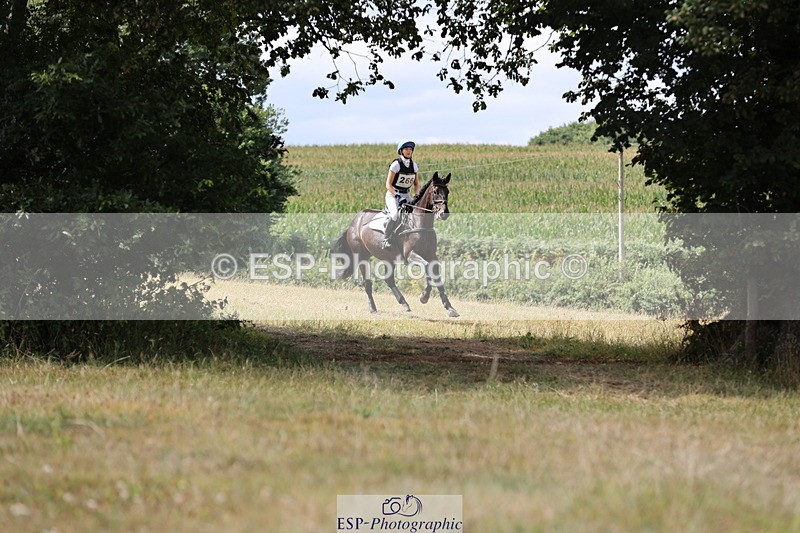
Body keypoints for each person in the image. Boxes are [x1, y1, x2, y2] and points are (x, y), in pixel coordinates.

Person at [382, 140, 420, 249]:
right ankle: (386, 239)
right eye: (406, 149)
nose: (409, 151)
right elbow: (388, 184)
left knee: (416, 214)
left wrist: (417, 196)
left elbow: (416, 184)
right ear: (401, 151)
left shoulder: (414, 166)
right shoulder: (396, 165)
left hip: (407, 195)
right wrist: (397, 196)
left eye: (410, 149)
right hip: (393, 194)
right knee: (395, 215)